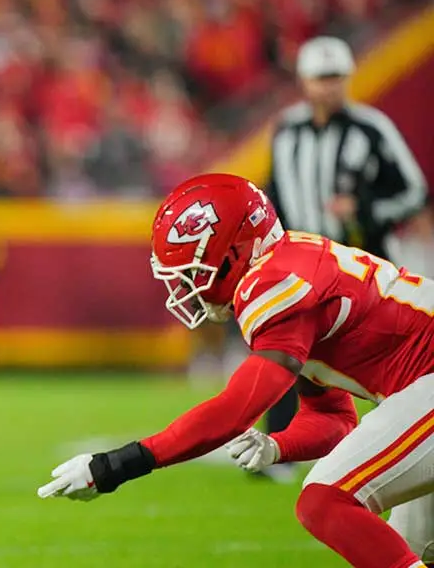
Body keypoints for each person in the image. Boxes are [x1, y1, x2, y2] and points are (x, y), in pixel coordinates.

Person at [38, 173, 434, 568]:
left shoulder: (272, 285)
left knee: (325, 501)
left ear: (232, 253)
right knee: (404, 548)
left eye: (193, 272)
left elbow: (233, 412)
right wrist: (278, 447)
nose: (186, 288)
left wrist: (115, 465)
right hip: (419, 388)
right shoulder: (288, 264)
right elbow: (334, 419)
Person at [258, 35, 428, 476]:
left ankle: (402, 443)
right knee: (284, 351)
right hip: (299, 265)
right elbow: (275, 194)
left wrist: (364, 209)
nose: (328, 86)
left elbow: (414, 191)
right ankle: (277, 447)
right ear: (304, 81)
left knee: (382, 359)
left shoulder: (371, 128)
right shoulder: (286, 131)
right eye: (321, 77)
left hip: (360, 266)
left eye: (335, 77)